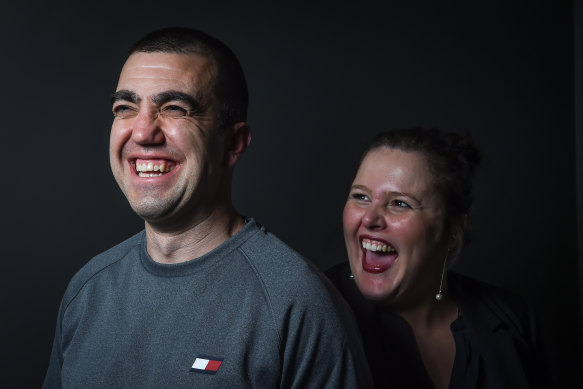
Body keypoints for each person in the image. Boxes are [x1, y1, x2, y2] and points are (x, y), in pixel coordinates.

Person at [43, 27, 372, 388]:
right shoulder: (87, 291)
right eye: (126, 107)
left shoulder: (298, 305)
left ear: (233, 144)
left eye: (174, 108)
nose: (142, 132)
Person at [326, 127, 549, 389]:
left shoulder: (513, 320)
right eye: (360, 197)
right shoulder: (314, 314)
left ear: (452, 230)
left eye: (400, 203)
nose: (370, 218)